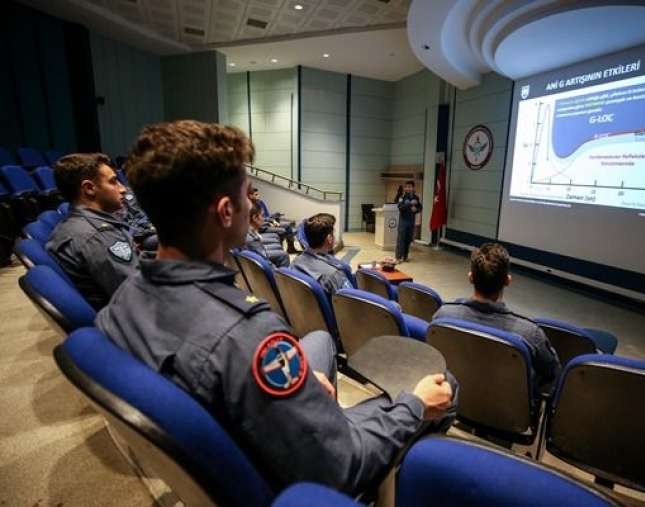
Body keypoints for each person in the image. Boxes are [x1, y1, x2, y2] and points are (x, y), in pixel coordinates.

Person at [96, 120, 455, 496]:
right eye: (245, 195)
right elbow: (341, 465)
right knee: (444, 388)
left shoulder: (125, 295)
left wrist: (299, 390)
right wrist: (414, 406)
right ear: (225, 212)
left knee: (318, 342)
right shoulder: (250, 334)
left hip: (243, 425)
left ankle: (317, 409)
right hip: (306, 476)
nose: (252, 203)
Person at [432, 243, 560, 396]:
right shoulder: (530, 334)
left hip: (456, 402)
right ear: (507, 280)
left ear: (470, 278)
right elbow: (553, 374)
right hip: (508, 414)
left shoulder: (443, 316)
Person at [46, 153, 138, 309]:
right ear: (89, 188)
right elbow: (137, 297)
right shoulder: (96, 237)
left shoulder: (80, 224)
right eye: (113, 181)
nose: (123, 189)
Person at [291, 213, 353, 296]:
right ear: (329, 239)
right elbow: (351, 303)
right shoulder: (334, 275)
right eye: (333, 233)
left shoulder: (295, 262)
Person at [247, 184, 298, 253]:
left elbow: (267, 215)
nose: (258, 196)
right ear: (250, 196)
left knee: (288, 226)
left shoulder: (261, 202)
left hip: (268, 222)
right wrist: (269, 222)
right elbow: (256, 221)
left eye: (258, 194)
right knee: (281, 231)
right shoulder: (250, 207)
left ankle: (290, 248)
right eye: (256, 195)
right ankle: (280, 250)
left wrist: (273, 219)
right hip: (262, 226)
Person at [245, 201, 290, 267]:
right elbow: (266, 264)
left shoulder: (246, 231)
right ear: (254, 218)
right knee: (284, 255)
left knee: (279, 249)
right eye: (262, 216)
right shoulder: (252, 240)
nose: (263, 219)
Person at [395, 180, 421, 263]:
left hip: (411, 222)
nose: (408, 188)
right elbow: (400, 208)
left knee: (408, 240)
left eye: (410, 187)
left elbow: (420, 207)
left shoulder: (416, 197)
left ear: (413, 188)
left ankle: (405, 257)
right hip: (403, 222)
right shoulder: (402, 197)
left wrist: (416, 209)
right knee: (401, 240)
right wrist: (409, 204)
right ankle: (398, 257)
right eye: (407, 187)